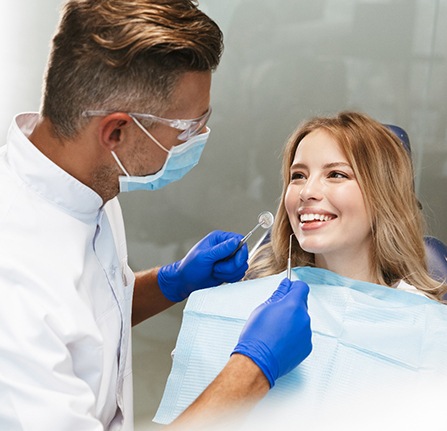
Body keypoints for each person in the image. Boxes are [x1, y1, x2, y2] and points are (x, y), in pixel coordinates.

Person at [0, 1, 312, 430]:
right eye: (187, 128)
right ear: (116, 131)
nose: (201, 137)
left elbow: (83, 320)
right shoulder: (14, 285)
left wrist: (171, 281)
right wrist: (253, 369)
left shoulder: (87, 180)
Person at [246, 111, 446, 301]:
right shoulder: (257, 298)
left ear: (383, 195)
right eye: (298, 176)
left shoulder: (419, 318)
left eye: (336, 175)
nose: (306, 192)